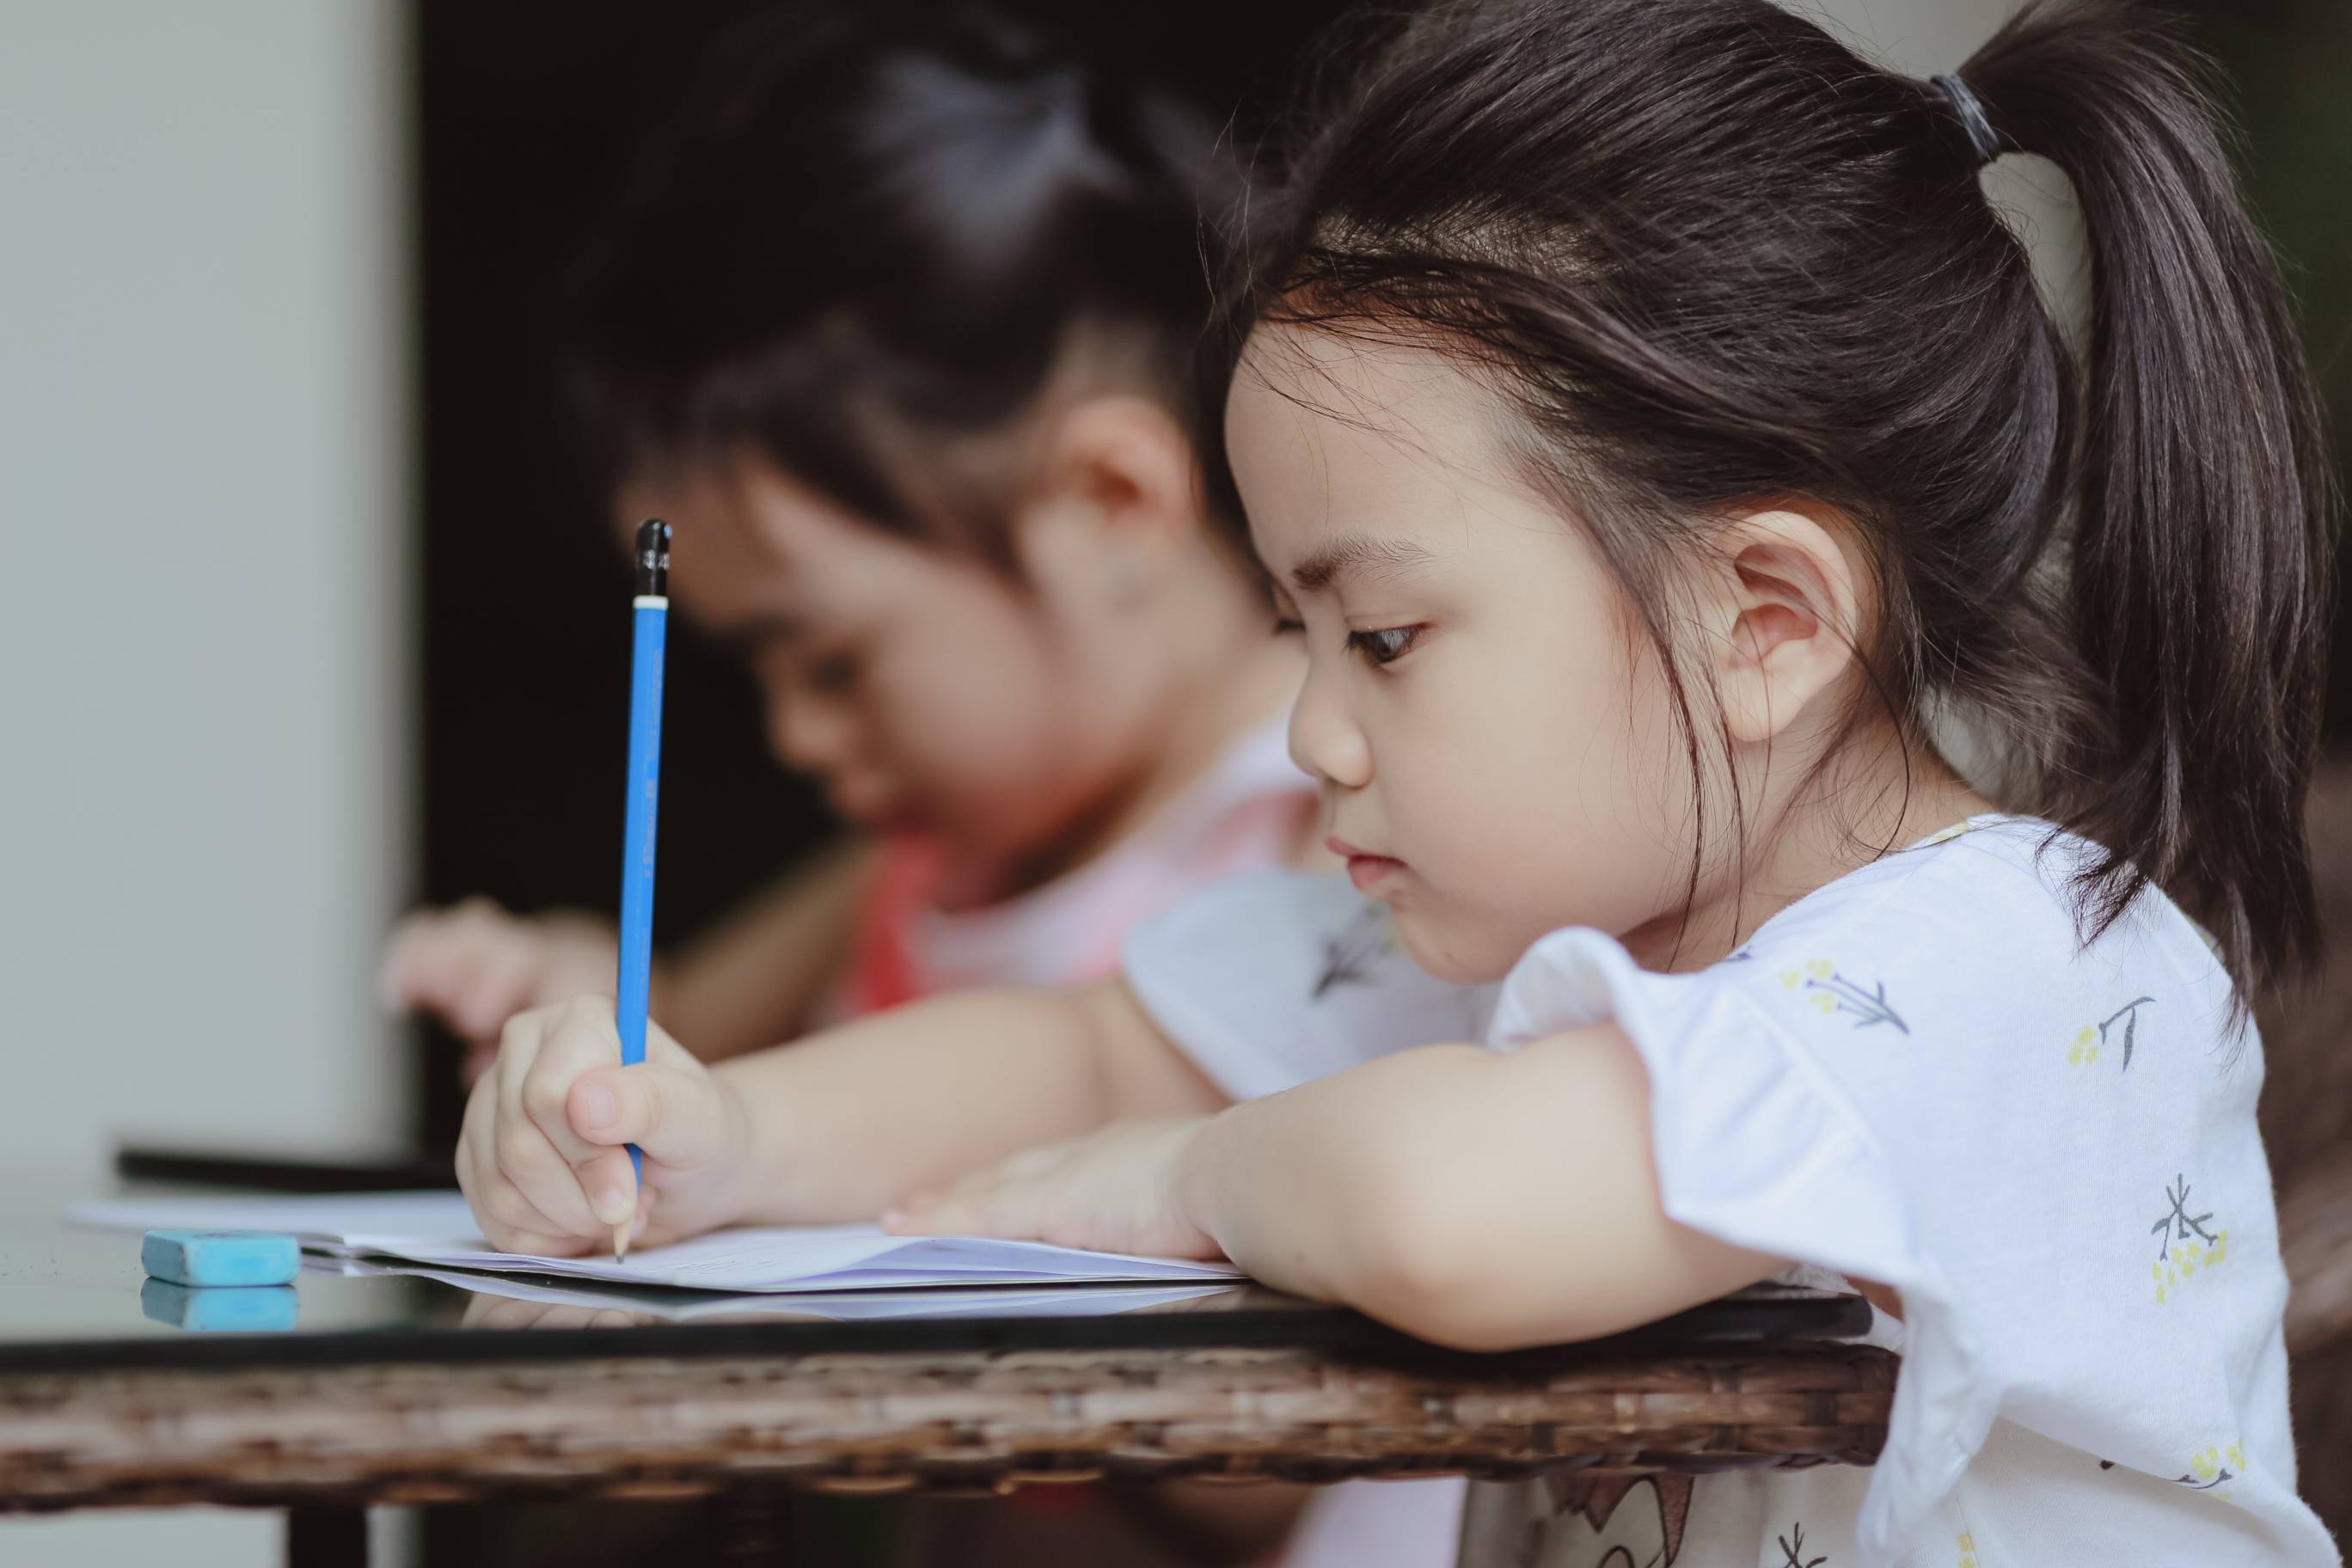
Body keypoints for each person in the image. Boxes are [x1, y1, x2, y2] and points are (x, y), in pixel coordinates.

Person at [449, 0, 2342, 1561]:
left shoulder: (2016, 970)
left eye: (1385, 638)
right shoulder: (1514, 938)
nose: (1310, 735)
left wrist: (1186, 1179)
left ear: (1764, 620)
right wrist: (717, 1133)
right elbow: (1089, 1052)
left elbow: (1445, 1213)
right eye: (1290, 625)